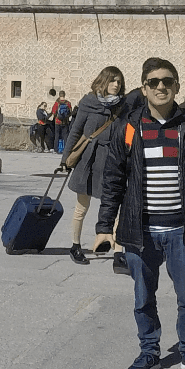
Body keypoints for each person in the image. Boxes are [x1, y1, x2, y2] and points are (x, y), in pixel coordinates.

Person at [93, 56, 185, 369]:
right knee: (143, 298)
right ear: (144, 88)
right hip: (141, 231)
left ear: (176, 86)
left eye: (167, 81)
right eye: (154, 83)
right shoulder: (129, 128)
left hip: (182, 230)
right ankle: (149, 351)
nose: (161, 87)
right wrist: (105, 227)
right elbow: (113, 181)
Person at [59, 66, 131, 264]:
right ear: (103, 81)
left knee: (115, 207)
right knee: (82, 207)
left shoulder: (123, 107)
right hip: (89, 160)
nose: (116, 85)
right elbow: (75, 131)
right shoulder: (88, 102)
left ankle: (118, 252)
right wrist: (65, 160)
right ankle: (75, 246)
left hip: (113, 161)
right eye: (112, 80)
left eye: (119, 82)